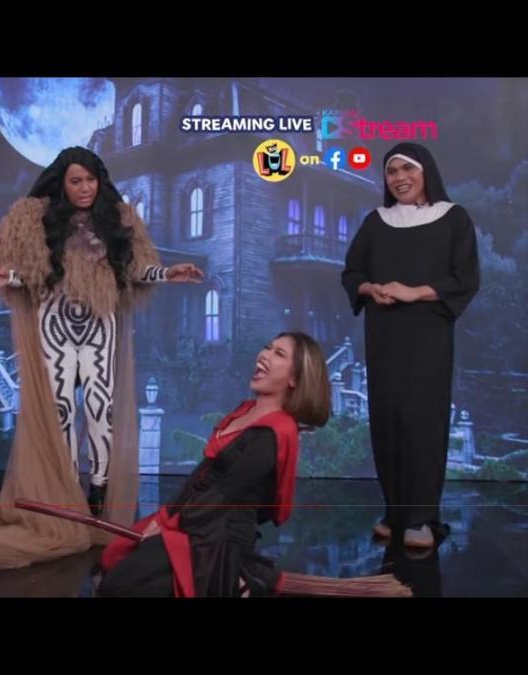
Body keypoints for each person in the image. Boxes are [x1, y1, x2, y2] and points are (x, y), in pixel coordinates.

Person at [0, 146, 202, 578]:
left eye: (91, 179)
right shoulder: (38, 222)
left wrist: (168, 273)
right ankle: (64, 497)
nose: (85, 188)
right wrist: (7, 277)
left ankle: (97, 492)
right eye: (76, 181)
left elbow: (134, 269)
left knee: (100, 409)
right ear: (62, 183)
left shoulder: (117, 221)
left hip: (99, 323)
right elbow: (30, 272)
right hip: (53, 323)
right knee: (59, 411)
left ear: (100, 181)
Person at [97, 332, 330, 597]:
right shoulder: (245, 411)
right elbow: (202, 475)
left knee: (120, 587)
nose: (264, 355)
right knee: (111, 561)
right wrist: (165, 516)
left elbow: (224, 494)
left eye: (279, 354)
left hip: (216, 537)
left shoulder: (275, 432)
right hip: (195, 518)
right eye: (267, 347)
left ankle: (238, 579)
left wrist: (172, 525)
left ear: (294, 379)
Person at [341, 142, 479, 549]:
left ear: (426, 171)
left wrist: (414, 291)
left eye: (408, 169)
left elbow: (465, 278)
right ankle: (394, 512)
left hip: (428, 335)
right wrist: (370, 289)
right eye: (391, 171)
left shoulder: (453, 218)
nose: (399, 178)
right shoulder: (376, 221)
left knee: (422, 420)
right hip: (383, 334)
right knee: (387, 419)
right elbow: (352, 272)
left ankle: (421, 517)